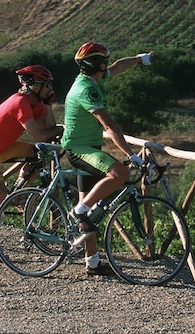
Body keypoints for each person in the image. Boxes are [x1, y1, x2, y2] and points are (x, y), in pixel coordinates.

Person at [61, 41, 152, 277]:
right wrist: (131, 154)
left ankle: (92, 263)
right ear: (97, 65)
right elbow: (109, 125)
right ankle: (77, 213)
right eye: (103, 61)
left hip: (86, 147)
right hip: (80, 149)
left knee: (91, 212)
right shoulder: (87, 90)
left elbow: (118, 67)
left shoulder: (93, 78)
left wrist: (139, 59)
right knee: (119, 173)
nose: (107, 64)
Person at [0, 65, 63, 265]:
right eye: (46, 85)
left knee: (40, 153)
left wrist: (47, 105)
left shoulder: (35, 103)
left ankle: (18, 192)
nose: (50, 88)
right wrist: (58, 133)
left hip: (3, 147)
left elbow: (48, 128)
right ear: (34, 86)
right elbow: (40, 134)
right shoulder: (19, 102)